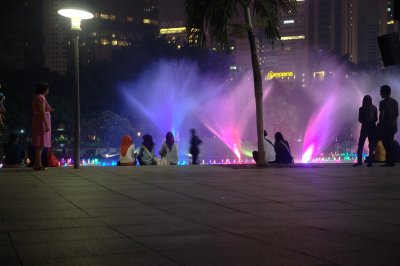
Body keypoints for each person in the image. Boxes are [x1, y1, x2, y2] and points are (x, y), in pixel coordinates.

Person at [32, 82, 54, 170]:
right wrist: (46, 124)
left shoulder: (37, 97)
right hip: (41, 122)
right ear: (45, 90)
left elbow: (41, 110)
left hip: (38, 120)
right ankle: (38, 165)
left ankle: (37, 164)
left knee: (39, 144)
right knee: (39, 144)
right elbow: (41, 111)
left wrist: (49, 110)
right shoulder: (41, 97)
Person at [353, 95, 377, 167]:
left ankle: (359, 161)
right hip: (372, 128)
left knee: (360, 145)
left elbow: (360, 120)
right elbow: (376, 119)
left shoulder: (361, 109)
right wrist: (371, 121)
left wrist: (365, 121)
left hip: (364, 128)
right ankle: (370, 162)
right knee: (371, 145)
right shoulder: (375, 108)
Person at [378, 85, 399, 167]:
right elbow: (397, 113)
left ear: (384, 92)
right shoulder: (395, 101)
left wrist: (380, 123)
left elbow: (382, 114)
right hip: (393, 125)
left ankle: (389, 162)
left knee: (386, 143)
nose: (380, 93)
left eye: (381, 92)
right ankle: (391, 161)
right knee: (390, 142)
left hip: (386, 126)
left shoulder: (383, 102)